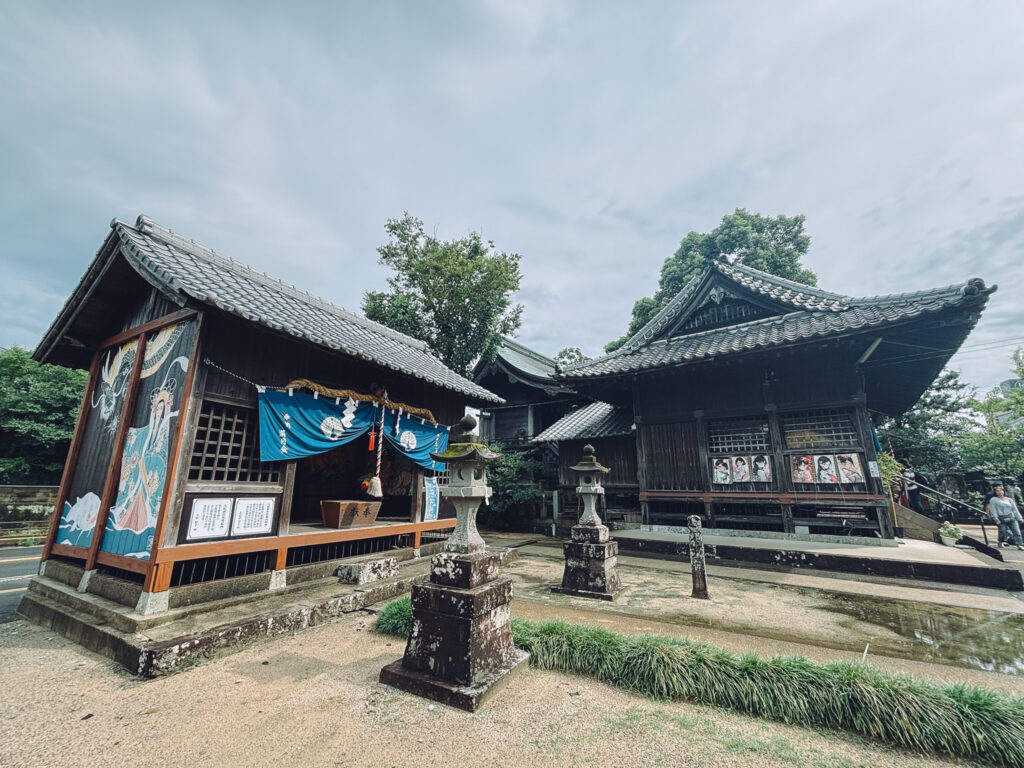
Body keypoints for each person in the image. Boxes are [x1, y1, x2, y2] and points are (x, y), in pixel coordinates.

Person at [985, 484, 1024, 550]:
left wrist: (1019, 517)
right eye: (997, 491)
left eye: (1001, 491)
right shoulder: (993, 500)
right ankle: (1000, 541)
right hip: (1001, 517)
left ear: (1004, 491)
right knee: (1003, 531)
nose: (1000, 492)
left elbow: (1014, 509)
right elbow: (993, 509)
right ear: (995, 492)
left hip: (1012, 517)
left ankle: (1019, 544)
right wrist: (995, 517)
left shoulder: (1009, 500)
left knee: (1016, 531)